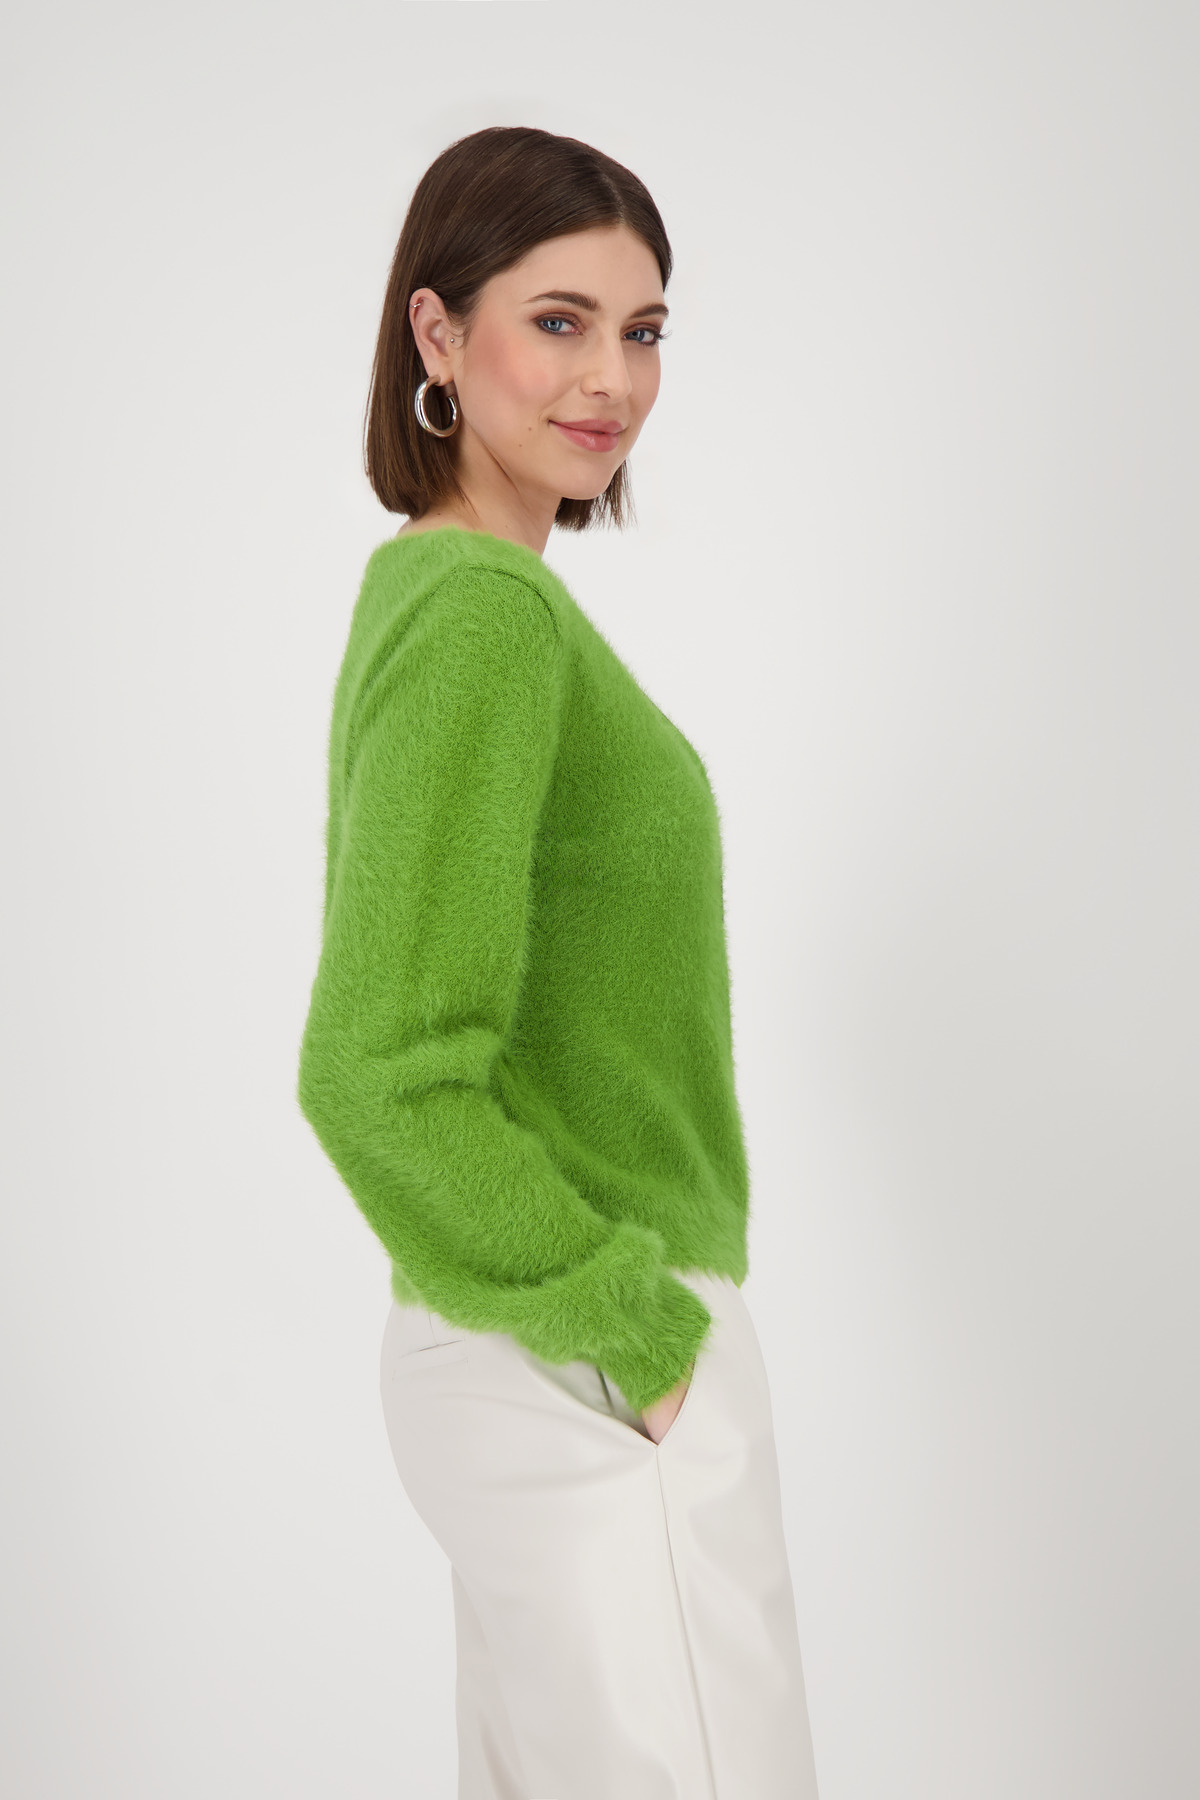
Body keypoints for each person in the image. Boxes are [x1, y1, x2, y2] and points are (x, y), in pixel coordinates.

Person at [297, 124, 820, 1800]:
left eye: (643, 329)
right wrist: (639, 1335)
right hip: (581, 1351)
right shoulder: (480, 617)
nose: (613, 378)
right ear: (438, 336)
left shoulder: (449, 601)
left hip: (533, 1344)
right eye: (560, 321)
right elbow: (377, 1072)